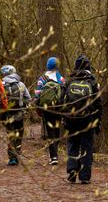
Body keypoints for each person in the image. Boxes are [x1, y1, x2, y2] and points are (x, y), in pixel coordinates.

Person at [62, 55, 102, 184]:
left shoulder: (69, 81)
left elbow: (61, 100)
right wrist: (98, 122)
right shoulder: (92, 82)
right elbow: (98, 105)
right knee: (86, 147)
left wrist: (64, 117)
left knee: (73, 144)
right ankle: (84, 176)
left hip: (71, 119)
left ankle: (72, 170)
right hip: (87, 121)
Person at [35, 57, 66, 165]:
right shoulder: (60, 78)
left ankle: (53, 157)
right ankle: (55, 154)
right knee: (57, 131)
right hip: (57, 109)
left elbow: (37, 94)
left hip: (46, 109)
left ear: (47, 66)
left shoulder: (42, 79)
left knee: (50, 131)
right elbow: (64, 93)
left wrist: (38, 108)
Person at [0, 65, 31, 166]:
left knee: (10, 135)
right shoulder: (21, 84)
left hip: (7, 115)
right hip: (20, 113)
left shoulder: (1, 84)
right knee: (19, 135)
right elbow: (28, 98)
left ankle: (12, 158)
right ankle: (16, 155)